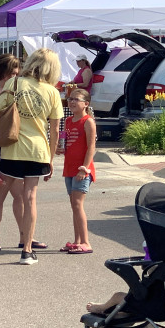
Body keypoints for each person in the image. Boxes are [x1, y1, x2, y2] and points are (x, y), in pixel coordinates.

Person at [0, 48, 63, 265]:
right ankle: (27, 250)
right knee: (30, 198)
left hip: (13, 149)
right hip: (38, 151)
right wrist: (51, 158)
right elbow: (54, 130)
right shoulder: (52, 92)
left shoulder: (14, 84)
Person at [61, 88, 96, 254]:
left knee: (77, 204)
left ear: (86, 104)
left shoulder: (88, 121)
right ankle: (77, 241)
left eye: (76, 99)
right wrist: (59, 148)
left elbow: (91, 147)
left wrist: (85, 168)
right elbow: (65, 141)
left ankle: (86, 242)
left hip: (82, 170)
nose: (72, 102)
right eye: (70, 99)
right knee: (73, 205)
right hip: (69, 168)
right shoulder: (68, 121)